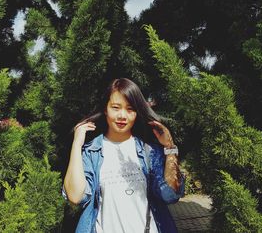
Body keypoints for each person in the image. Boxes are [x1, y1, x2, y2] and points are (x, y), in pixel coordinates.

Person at [63, 78, 185, 233]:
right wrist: (76, 145)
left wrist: (170, 148)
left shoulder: (149, 151)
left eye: (130, 109)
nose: (122, 115)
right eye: (116, 107)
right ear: (106, 109)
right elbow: (75, 197)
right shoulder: (92, 152)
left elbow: (170, 195)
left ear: (137, 113)